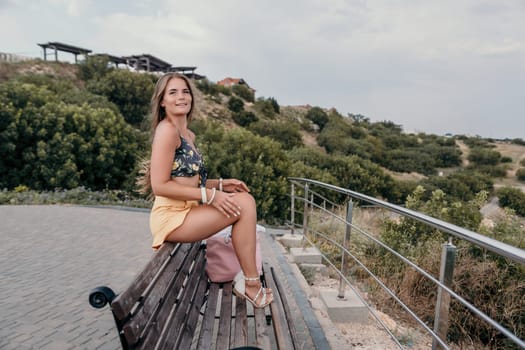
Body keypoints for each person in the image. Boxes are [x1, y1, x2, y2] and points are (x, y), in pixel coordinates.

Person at [140, 73, 272, 309]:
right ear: (162, 101)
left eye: (185, 91)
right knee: (244, 204)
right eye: (173, 93)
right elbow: (159, 184)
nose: (181, 97)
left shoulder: (188, 135)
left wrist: (220, 184)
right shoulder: (166, 131)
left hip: (187, 212)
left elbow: (187, 181)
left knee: (244, 200)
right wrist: (211, 195)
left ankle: (249, 280)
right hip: (171, 217)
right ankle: (251, 284)